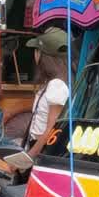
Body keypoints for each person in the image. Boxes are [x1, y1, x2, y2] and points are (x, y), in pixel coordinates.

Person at [26, 26, 70, 158]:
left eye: (36, 50)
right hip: (37, 146)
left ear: (42, 55)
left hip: (42, 150)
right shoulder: (52, 83)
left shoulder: (57, 85)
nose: (35, 54)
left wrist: (30, 156)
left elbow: (51, 129)